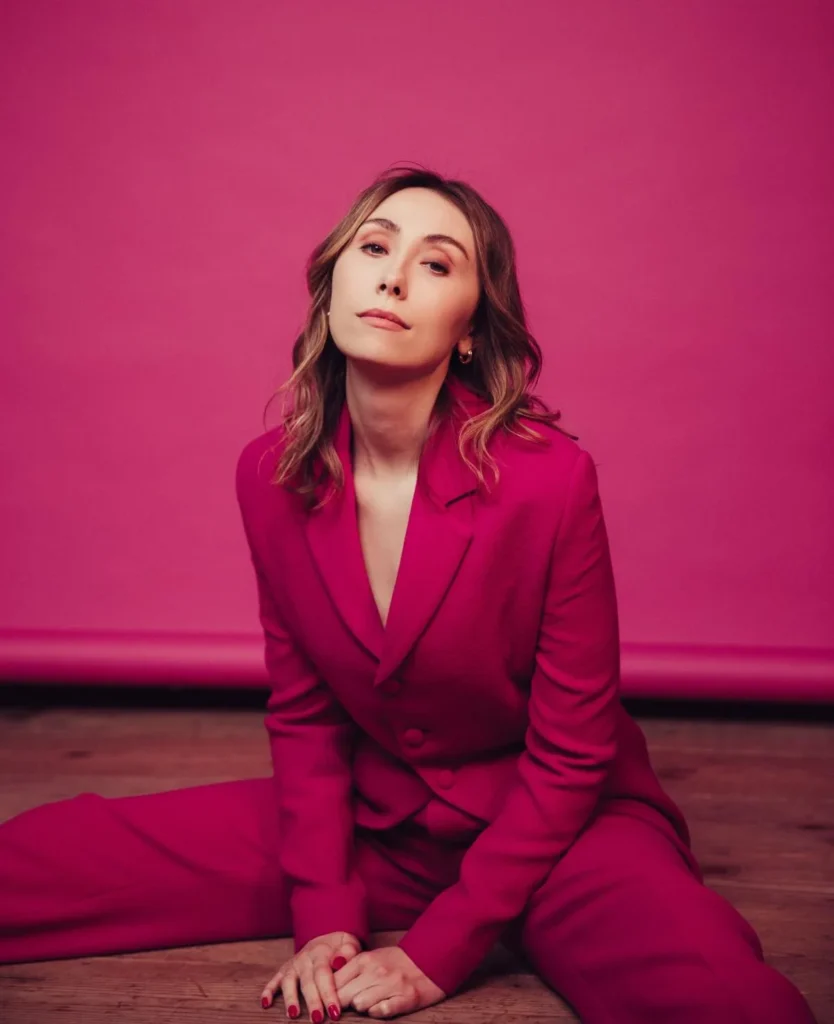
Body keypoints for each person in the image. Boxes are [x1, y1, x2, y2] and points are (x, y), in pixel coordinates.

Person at [0, 165, 817, 1024]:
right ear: (332, 285)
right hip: (381, 821)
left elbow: (574, 756)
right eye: (374, 248)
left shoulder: (551, 481)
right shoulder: (269, 475)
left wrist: (439, 951)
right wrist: (324, 914)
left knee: (717, 997)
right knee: (52, 861)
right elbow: (305, 712)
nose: (393, 276)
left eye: (435, 263)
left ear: (470, 329)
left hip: (561, 831)